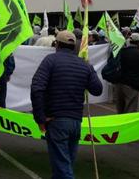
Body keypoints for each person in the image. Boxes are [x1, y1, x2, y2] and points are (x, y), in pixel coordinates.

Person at [30, 30, 103, 179]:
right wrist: (90, 69)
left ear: (56, 44)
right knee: (64, 165)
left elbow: (37, 88)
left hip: (57, 121)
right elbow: (97, 89)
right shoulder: (84, 65)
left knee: (63, 167)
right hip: (75, 122)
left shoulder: (50, 60)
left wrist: (40, 118)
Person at [112, 33, 139, 114]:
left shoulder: (122, 51)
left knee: (120, 111)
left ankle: (120, 126)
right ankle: (127, 127)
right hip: (132, 85)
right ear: (138, 42)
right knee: (130, 110)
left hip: (118, 83)